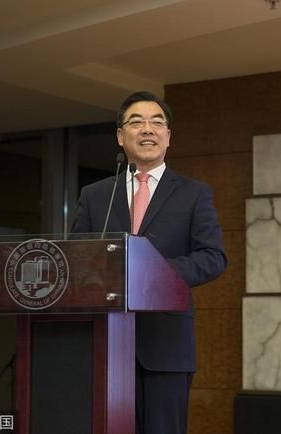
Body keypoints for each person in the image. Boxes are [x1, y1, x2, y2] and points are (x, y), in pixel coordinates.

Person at [71, 91, 227, 434]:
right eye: (136, 122)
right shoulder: (95, 195)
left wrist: (153, 273)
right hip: (105, 345)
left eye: (158, 122)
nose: (148, 129)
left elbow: (213, 257)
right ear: (120, 136)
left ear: (168, 137)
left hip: (167, 346)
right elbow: (77, 260)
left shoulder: (194, 193)